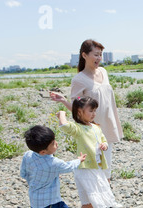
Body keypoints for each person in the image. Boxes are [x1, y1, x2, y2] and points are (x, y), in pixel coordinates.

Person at [50, 39, 123, 183]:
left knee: (107, 160)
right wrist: (64, 101)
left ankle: (106, 196)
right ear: (84, 55)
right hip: (93, 127)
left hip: (108, 122)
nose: (99, 58)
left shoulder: (103, 71)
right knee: (95, 162)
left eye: (100, 55)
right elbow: (77, 108)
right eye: (95, 55)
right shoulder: (79, 79)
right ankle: (95, 199)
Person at [57, 96, 115, 208]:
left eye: (95, 110)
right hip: (85, 169)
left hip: (95, 168)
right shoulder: (78, 129)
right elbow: (64, 126)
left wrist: (104, 145)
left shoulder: (95, 127)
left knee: (93, 198)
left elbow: (103, 140)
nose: (94, 113)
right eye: (91, 110)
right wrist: (61, 114)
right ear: (80, 112)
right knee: (87, 202)